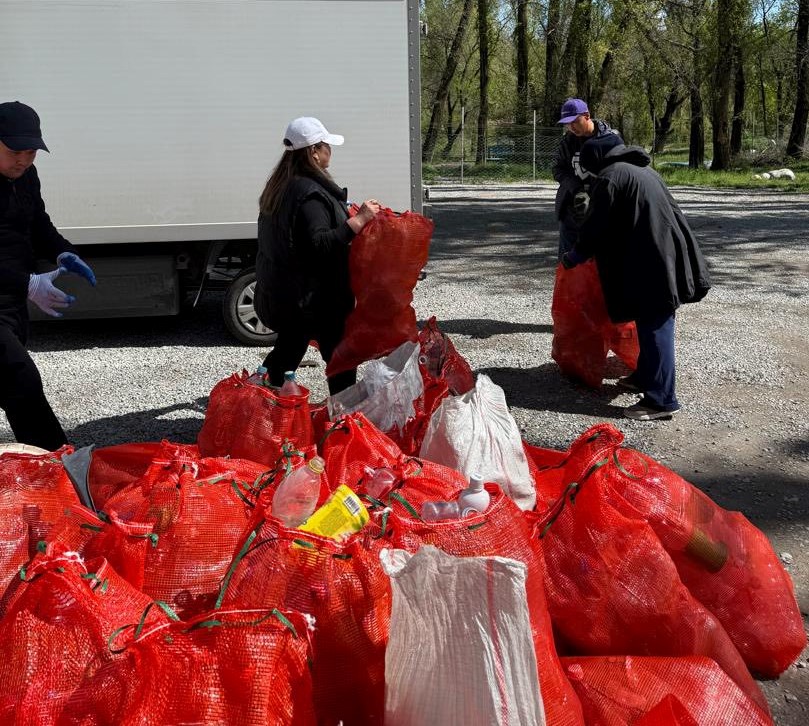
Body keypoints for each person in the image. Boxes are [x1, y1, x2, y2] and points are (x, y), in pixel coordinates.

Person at [561, 133, 711, 421]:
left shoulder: (611, 177)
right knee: (649, 324)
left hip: (653, 261)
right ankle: (645, 377)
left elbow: (596, 226)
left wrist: (575, 256)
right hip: (662, 255)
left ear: (596, 162)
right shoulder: (642, 170)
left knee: (656, 328)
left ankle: (661, 401)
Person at [254, 116, 381, 395]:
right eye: (326, 146)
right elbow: (319, 243)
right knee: (340, 357)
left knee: (289, 346)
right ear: (313, 152)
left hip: (287, 295)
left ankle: (264, 402)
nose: (330, 152)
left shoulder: (280, 185)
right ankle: (343, 419)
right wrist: (358, 221)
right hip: (314, 301)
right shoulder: (309, 193)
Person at [0, 101, 96, 449]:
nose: (23, 159)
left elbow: (38, 223)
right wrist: (28, 282)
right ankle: (56, 464)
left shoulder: (26, 177)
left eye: (31, 151)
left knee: (11, 381)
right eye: (14, 150)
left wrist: (63, 250)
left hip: (11, 304)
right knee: (20, 377)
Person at [552, 98, 622, 259]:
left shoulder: (610, 140)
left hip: (602, 210)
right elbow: (558, 169)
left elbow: (620, 173)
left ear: (587, 116)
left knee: (602, 263)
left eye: (574, 122)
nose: (571, 127)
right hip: (571, 213)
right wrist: (576, 189)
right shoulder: (568, 141)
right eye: (567, 124)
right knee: (568, 262)